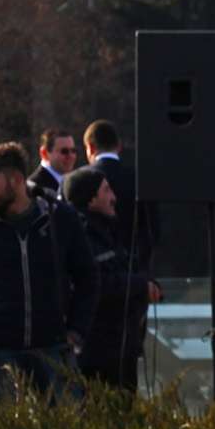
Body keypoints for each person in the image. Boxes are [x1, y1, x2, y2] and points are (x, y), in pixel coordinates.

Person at [0, 142, 97, 399]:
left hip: (54, 348)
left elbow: (88, 277)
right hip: (0, 352)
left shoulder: (59, 218)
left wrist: (76, 332)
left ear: (16, 180)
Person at [61, 167, 160, 390]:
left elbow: (124, 270)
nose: (113, 197)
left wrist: (146, 283)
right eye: (106, 191)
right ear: (90, 198)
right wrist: (139, 286)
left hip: (120, 347)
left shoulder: (106, 231)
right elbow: (97, 283)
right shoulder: (81, 236)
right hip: (96, 350)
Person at [84, 120, 151, 271]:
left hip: (96, 273)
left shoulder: (76, 181)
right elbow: (151, 230)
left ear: (90, 147)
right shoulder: (139, 179)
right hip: (134, 273)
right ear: (119, 146)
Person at [30, 129, 77, 204]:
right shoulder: (35, 188)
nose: (71, 156)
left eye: (73, 151)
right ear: (44, 153)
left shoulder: (75, 183)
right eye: (64, 151)